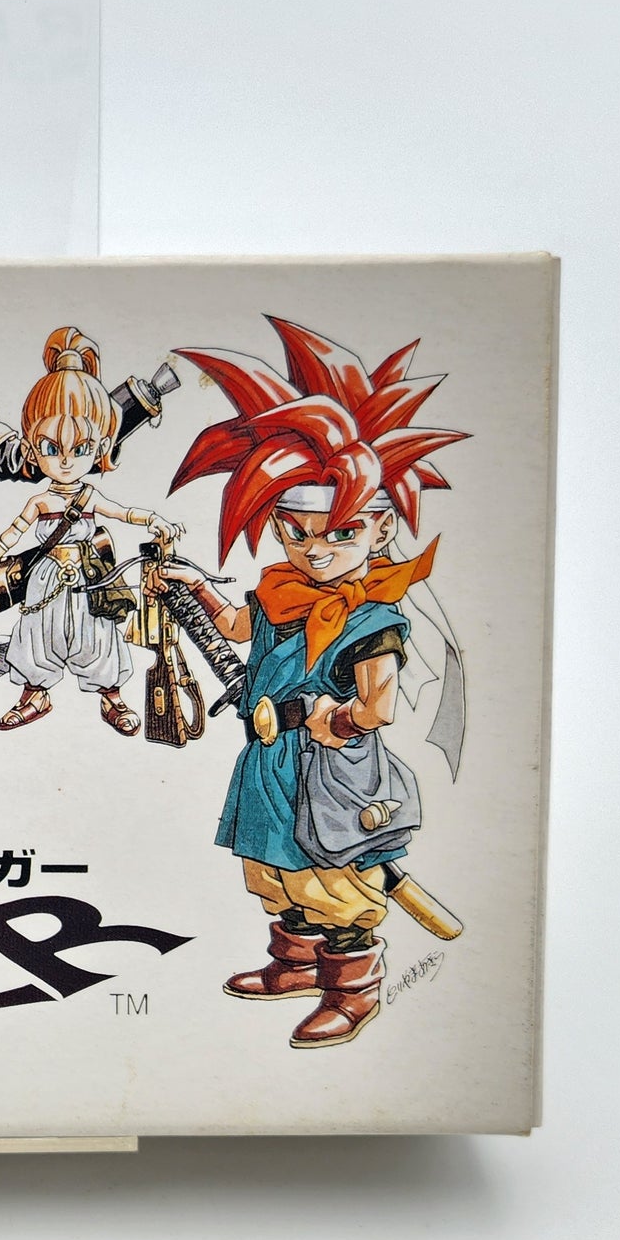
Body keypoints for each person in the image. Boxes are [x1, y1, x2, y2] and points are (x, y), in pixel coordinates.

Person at [158, 316, 466, 1045]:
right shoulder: (280, 590)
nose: (316, 550)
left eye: (341, 533)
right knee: (276, 869)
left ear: (379, 531)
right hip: (270, 761)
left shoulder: (372, 618)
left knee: (337, 882)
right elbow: (239, 626)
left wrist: (341, 721)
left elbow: (379, 704)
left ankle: (352, 991)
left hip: (332, 771)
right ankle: (294, 965)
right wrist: (192, 587)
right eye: (295, 532)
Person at [0, 328, 180, 734]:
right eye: (52, 448)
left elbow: (124, 513)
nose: (66, 460)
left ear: (101, 448)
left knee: (98, 634)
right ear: (31, 448)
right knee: (38, 634)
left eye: (81, 449)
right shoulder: (41, 502)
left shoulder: (89, 496)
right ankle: (34, 695)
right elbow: (12, 533)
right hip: (44, 579)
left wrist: (155, 520)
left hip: (88, 576)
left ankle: (112, 697)